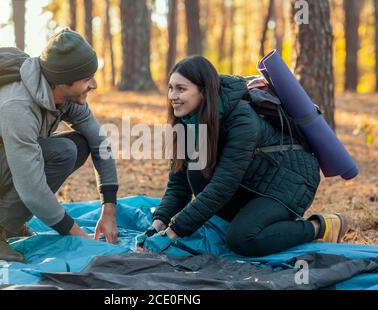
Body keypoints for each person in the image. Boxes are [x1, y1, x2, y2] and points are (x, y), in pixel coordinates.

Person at [136, 55, 348, 257]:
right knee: (195, 174)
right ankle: (252, 217)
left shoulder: (242, 119)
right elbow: (178, 186)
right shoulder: (187, 122)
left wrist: (174, 232)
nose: (173, 96)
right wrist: (158, 225)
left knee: (241, 238)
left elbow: (223, 185)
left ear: (204, 91)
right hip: (251, 179)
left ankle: (320, 226)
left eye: (181, 89)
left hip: (289, 180)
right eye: (171, 88)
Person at [0, 28, 119, 262]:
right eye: (86, 79)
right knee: (63, 152)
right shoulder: (17, 107)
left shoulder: (66, 97)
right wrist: (78, 235)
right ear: (63, 80)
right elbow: (31, 188)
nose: (93, 85)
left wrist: (109, 209)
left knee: (81, 144)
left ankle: (10, 224)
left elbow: (99, 143)